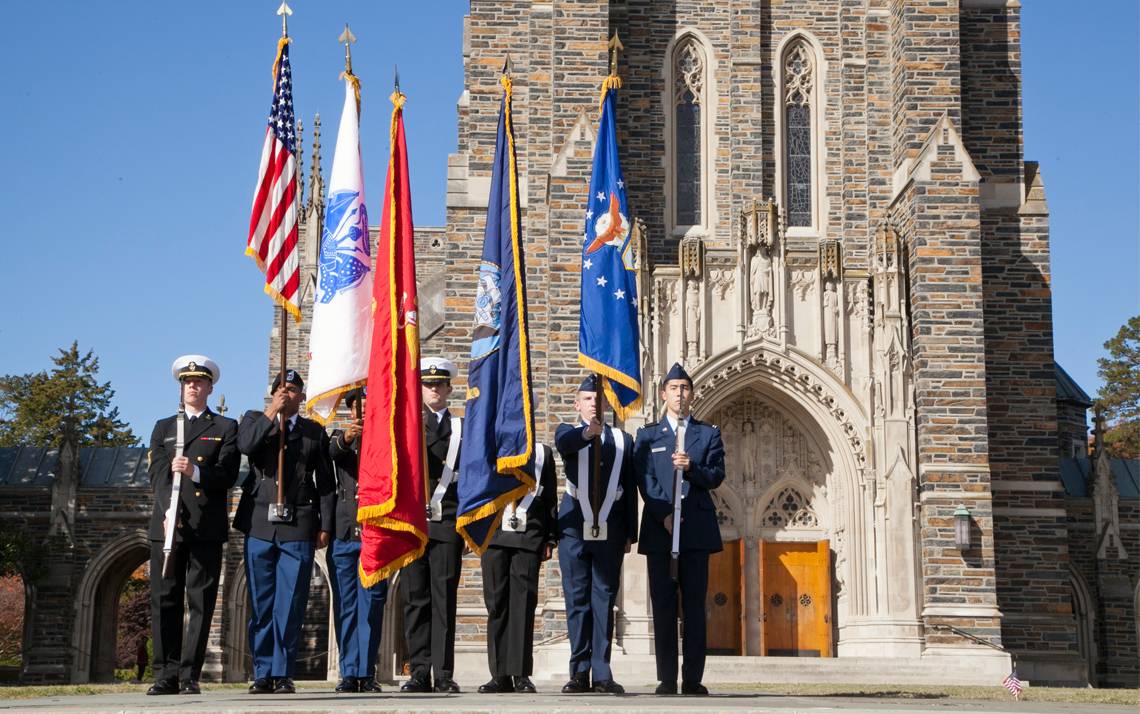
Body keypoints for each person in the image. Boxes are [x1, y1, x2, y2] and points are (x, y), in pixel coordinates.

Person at [234, 369, 335, 695]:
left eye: (291, 389)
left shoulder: (313, 432)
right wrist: (271, 413)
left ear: (302, 396)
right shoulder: (253, 419)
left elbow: (326, 485)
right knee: (262, 603)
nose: (285, 393)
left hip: (299, 525)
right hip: (260, 524)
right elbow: (247, 446)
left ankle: (282, 673)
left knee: (290, 604)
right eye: (279, 388)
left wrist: (325, 525)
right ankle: (262, 672)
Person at [146, 355, 239, 696]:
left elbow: (227, 475)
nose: (192, 387)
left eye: (199, 382)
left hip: (204, 526)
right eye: (187, 382)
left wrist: (194, 471)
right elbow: (156, 474)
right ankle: (164, 674)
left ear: (210, 387)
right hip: (168, 524)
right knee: (165, 598)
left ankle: (189, 675)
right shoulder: (164, 428)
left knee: (200, 601)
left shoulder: (224, 428)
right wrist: (166, 510)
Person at [635, 362, 725, 696]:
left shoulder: (707, 433)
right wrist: (662, 514)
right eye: (674, 389)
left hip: (696, 530)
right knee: (663, 605)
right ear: (664, 394)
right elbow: (644, 477)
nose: (680, 394)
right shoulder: (648, 436)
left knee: (694, 607)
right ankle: (666, 678)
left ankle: (692, 679)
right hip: (661, 531)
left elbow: (716, 475)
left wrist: (692, 467)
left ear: (692, 393)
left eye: (685, 388)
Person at [554, 375, 638, 695]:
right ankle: (578, 671)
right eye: (587, 399)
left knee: (603, 599)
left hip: (610, 528)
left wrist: (631, 531)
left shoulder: (621, 440)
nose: (593, 404)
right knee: (577, 601)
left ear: (607, 404)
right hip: (574, 527)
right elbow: (566, 445)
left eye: (598, 399)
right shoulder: (567, 432)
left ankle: (602, 672)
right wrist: (588, 433)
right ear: (577, 404)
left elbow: (629, 488)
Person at [400, 357, 463, 694]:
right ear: (419, 389)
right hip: (414, 524)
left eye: (440, 384)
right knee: (416, 599)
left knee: (444, 598)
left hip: (448, 522)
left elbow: (470, 479)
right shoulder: (406, 425)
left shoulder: (461, 429)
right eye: (428, 384)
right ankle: (419, 671)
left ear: (450, 388)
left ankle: (444, 671)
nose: (435, 389)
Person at [476, 441, 557, 694]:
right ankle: (499, 674)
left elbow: (550, 496)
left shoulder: (542, 453)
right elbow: (475, 487)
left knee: (523, 606)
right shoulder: (488, 445)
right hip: (494, 534)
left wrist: (550, 537)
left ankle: (520, 673)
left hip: (529, 535)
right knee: (497, 603)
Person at [327, 388, 388, 693]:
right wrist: (350, 437)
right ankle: (349, 672)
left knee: (372, 606)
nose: (360, 413)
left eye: (366, 407)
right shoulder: (341, 437)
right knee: (346, 606)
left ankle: (367, 671)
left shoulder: (386, 439)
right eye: (356, 408)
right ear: (350, 412)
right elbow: (333, 453)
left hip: (376, 535)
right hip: (344, 534)